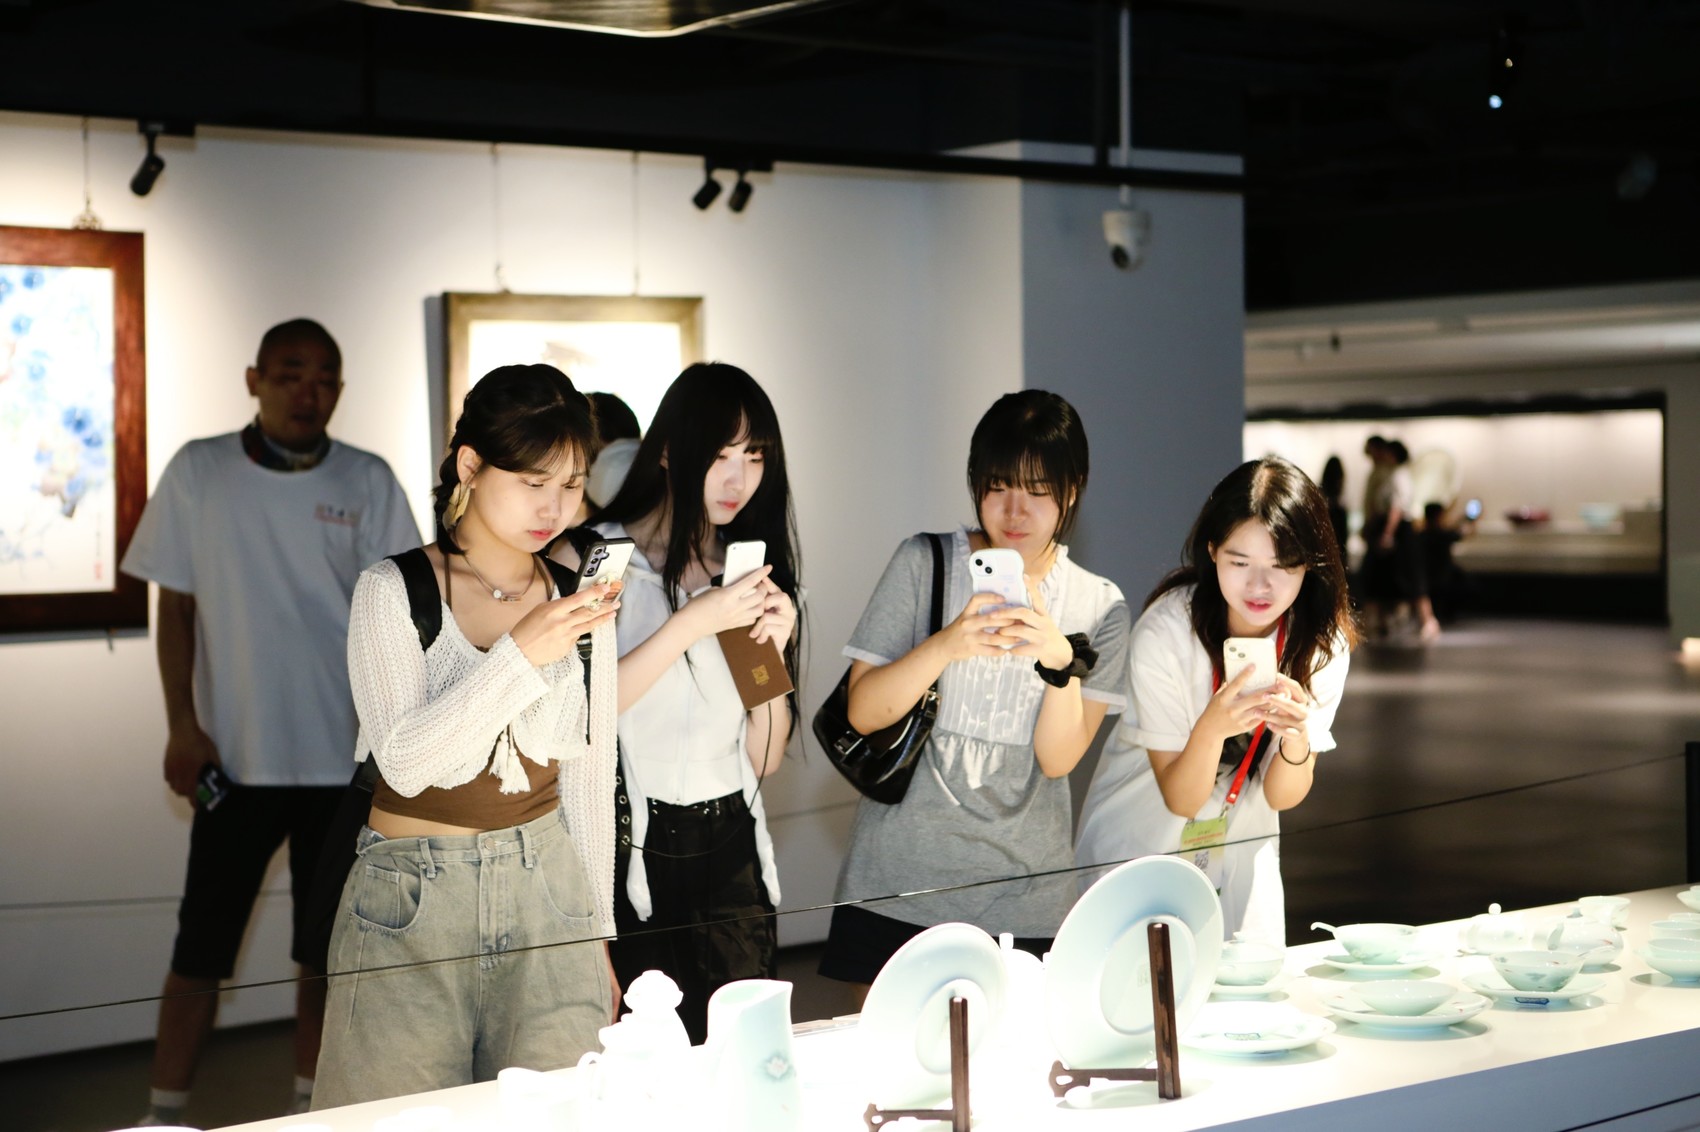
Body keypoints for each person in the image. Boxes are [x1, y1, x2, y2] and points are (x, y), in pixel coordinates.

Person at [121, 319, 419, 1126]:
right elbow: (175, 607)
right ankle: (164, 1113)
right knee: (199, 950)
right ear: (254, 379)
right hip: (236, 761)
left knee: (324, 955)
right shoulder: (201, 470)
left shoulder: (367, 478)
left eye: (324, 378)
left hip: (343, 761)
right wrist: (182, 726)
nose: (307, 392)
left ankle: (310, 1107)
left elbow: (404, 614)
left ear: (341, 390)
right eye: (290, 373)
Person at [311, 364, 621, 1109]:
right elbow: (405, 763)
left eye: (572, 485)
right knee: (394, 1120)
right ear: (472, 465)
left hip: (548, 889)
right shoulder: (392, 590)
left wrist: (597, 933)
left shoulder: (578, 598)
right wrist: (520, 656)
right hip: (413, 895)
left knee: (557, 1115)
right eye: (533, 481)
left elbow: (588, 775)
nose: (554, 507)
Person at [818, 390, 1131, 998]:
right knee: (889, 1052)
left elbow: (1058, 759)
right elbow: (864, 711)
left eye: (1037, 490)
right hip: (897, 884)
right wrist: (947, 644)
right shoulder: (923, 561)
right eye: (997, 486)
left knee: (1019, 1054)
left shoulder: (1100, 606)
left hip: (1028, 898)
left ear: (1073, 490)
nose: (1014, 510)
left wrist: (1058, 662)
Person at [564, 361, 798, 1043]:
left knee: (743, 1051)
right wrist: (695, 621)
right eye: (721, 454)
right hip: (629, 841)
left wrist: (772, 656)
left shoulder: (750, 569)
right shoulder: (598, 556)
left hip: (732, 844)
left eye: (755, 457)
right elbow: (584, 711)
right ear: (666, 450)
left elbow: (765, 757)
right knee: (643, 1056)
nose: (738, 478)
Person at [1075, 456, 1355, 944]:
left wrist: (1296, 739)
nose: (1259, 586)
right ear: (1212, 553)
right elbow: (1181, 798)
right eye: (1239, 563)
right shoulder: (1168, 631)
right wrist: (1212, 727)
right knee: (1140, 981)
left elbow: (1281, 796)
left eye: (1281, 566)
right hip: (1140, 845)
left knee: (1243, 984)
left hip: (1238, 856)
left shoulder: (1322, 645)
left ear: (1308, 564)